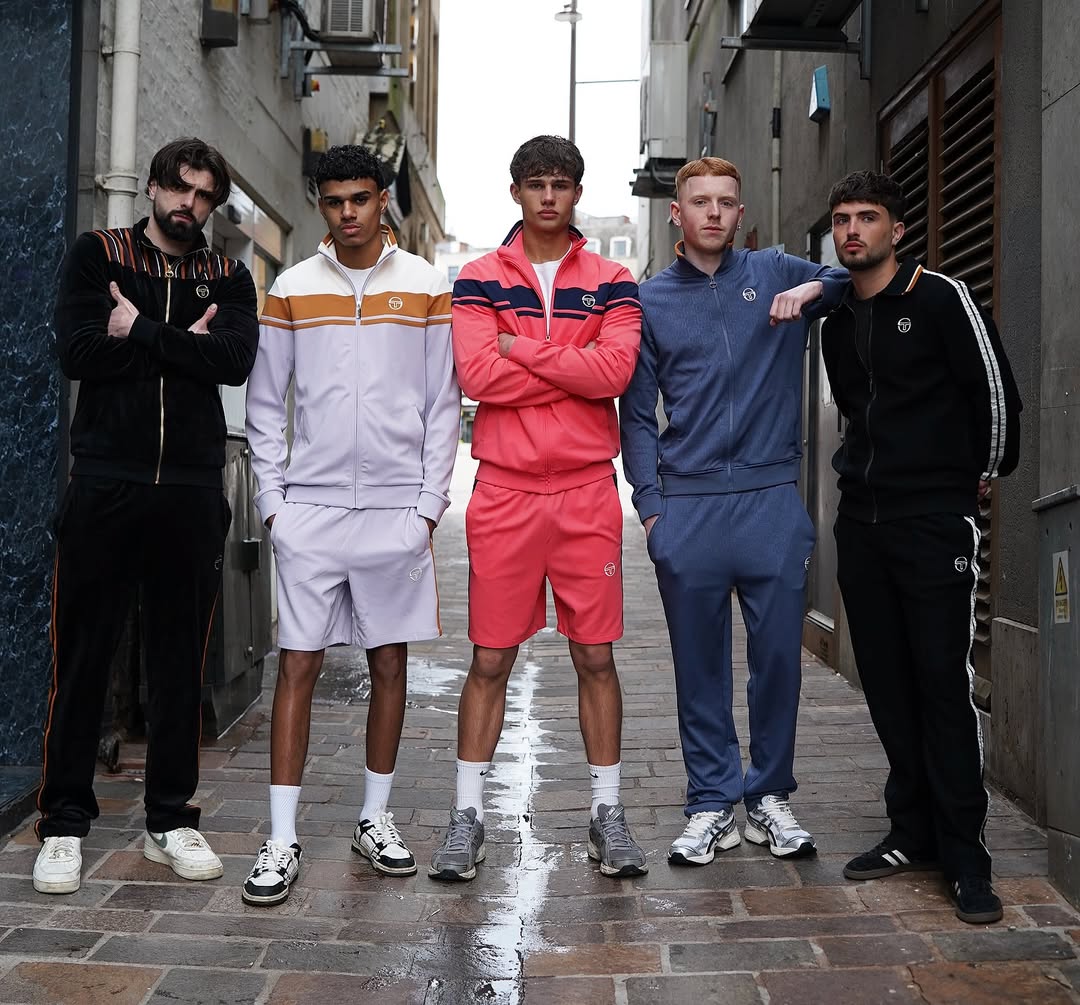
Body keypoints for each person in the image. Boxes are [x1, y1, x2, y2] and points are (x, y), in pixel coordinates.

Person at [36, 137, 259, 894]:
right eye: (179, 189)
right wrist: (180, 347)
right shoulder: (97, 254)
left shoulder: (227, 273)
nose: (189, 206)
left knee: (175, 664)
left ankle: (170, 818)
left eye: (203, 196)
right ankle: (63, 822)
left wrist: (144, 334)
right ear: (155, 187)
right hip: (106, 482)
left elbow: (232, 361)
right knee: (83, 659)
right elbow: (78, 352)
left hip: (191, 493)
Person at [241, 145, 459, 905]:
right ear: (319, 203)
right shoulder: (294, 287)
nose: (347, 213)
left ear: (384, 199)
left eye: (360, 199)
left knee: (389, 663)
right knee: (295, 665)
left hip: (396, 510)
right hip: (312, 511)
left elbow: (442, 404)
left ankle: (375, 817)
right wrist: (276, 505)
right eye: (333, 201)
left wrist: (428, 506)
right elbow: (266, 404)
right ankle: (280, 837)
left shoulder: (429, 286)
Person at [429, 135, 645, 882]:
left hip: (587, 487)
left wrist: (523, 350)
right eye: (535, 184)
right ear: (516, 192)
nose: (548, 196)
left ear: (577, 192)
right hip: (507, 488)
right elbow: (476, 373)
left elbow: (615, 371)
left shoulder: (614, 276)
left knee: (596, 655)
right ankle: (467, 816)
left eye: (560, 184)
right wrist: (567, 367)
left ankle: (606, 814)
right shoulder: (480, 277)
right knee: (491, 656)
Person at [620, 157, 847, 868]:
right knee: (699, 666)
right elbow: (636, 417)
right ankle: (712, 800)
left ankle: (771, 795)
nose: (713, 212)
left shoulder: (777, 270)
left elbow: (852, 276)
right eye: (700, 202)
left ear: (739, 213)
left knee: (780, 658)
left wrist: (816, 281)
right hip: (688, 510)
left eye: (725, 201)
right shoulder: (649, 299)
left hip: (770, 503)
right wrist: (654, 512)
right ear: (676, 214)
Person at [820, 170, 1021, 924]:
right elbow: (856, 413)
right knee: (888, 681)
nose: (851, 232)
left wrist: (977, 475)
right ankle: (912, 830)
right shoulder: (839, 320)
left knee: (942, 680)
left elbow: (995, 393)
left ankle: (966, 853)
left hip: (934, 520)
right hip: (862, 523)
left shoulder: (941, 297)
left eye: (866, 218)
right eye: (842, 220)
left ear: (896, 230)